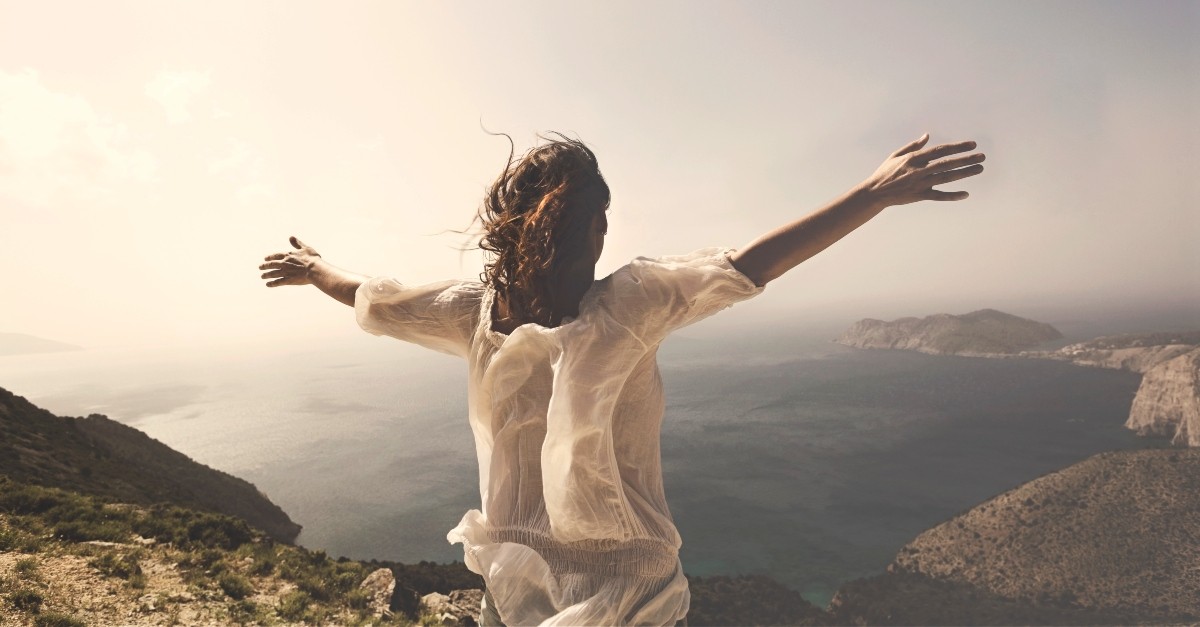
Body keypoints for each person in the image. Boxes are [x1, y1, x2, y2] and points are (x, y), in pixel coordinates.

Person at [259, 132, 984, 625]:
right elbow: (753, 263)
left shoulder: (474, 314)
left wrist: (313, 267)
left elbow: (370, 297)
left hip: (521, 586)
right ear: (590, 229)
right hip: (619, 592)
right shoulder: (628, 302)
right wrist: (872, 192)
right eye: (598, 217)